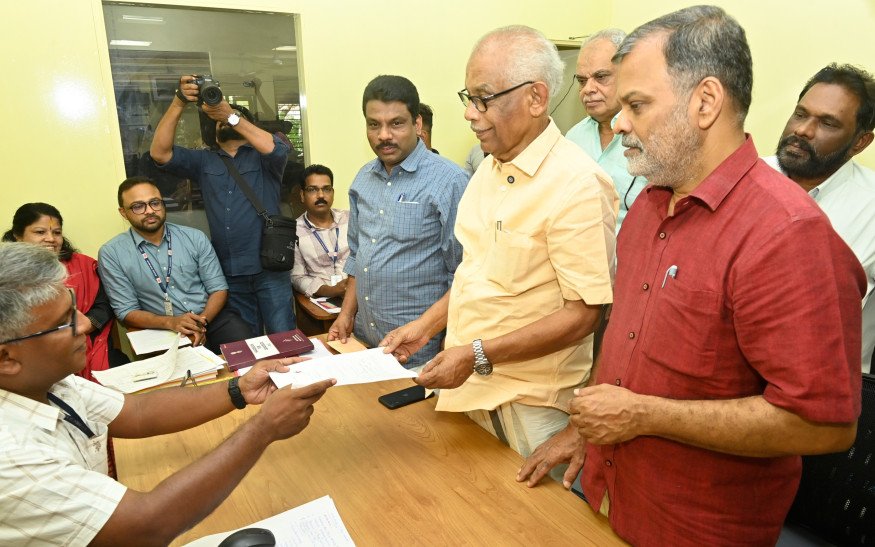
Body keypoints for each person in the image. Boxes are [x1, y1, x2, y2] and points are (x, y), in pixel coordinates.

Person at [519, 6, 865, 545]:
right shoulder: (648, 205)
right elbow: (626, 343)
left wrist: (644, 416)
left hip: (696, 527)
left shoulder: (788, 234)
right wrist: (583, 429)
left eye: (637, 105)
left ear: (705, 102)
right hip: (608, 499)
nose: (620, 122)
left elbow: (823, 425)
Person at [381, 25, 617, 468]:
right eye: (468, 98)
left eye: (484, 99)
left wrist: (475, 355)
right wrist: (427, 327)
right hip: (467, 388)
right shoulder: (488, 171)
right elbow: (477, 274)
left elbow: (584, 315)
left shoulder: (578, 185)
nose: (470, 114)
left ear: (536, 98)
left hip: (527, 407)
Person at [0, 242, 334, 546]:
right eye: (64, 323)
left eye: (74, 309)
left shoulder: (47, 383)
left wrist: (239, 388)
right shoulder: (12, 458)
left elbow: (136, 413)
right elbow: (146, 528)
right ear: (6, 358)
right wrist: (263, 429)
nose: (86, 324)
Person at [328, 75, 469, 367]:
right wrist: (346, 314)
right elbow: (357, 256)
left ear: (417, 124)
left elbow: (465, 274)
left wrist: (448, 338)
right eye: (374, 124)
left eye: (396, 123)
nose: (383, 135)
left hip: (419, 351)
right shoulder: (363, 179)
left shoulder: (450, 181)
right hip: (364, 342)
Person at [150, 75, 296, 336]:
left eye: (235, 118)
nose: (227, 121)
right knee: (246, 343)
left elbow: (277, 149)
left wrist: (230, 115)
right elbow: (160, 153)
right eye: (220, 120)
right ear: (213, 131)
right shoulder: (204, 161)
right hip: (229, 270)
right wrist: (179, 101)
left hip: (270, 267)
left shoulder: (265, 158)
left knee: (284, 338)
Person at [764, 63, 875, 373]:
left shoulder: (871, 206)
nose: (803, 130)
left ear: (860, 142)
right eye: (800, 114)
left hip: (827, 383)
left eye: (827, 123)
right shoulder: (740, 179)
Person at [99, 177, 253, 354]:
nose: (149, 211)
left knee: (246, 349)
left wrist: (200, 323)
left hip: (209, 317)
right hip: (161, 327)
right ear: (123, 213)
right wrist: (171, 322)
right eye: (138, 206)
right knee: (188, 368)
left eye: (155, 203)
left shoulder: (194, 237)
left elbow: (218, 289)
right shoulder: (112, 253)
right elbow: (126, 311)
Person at [2, 203, 122, 379]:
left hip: (91, 345)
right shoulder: (6, 275)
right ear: (18, 236)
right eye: (40, 232)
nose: (51, 239)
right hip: (32, 356)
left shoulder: (84, 266)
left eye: (57, 232)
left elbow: (105, 304)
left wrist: (87, 324)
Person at [565, 29, 647, 231]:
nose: (588, 89)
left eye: (601, 77)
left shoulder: (651, 137)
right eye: (582, 81)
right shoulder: (573, 138)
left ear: (628, 74)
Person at [291, 164, 351, 299]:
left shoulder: (350, 219)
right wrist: (330, 290)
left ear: (333, 193)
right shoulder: (294, 232)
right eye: (312, 190)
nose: (321, 195)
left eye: (326, 189)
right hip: (321, 300)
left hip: (358, 294)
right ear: (302, 195)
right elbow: (297, 277)